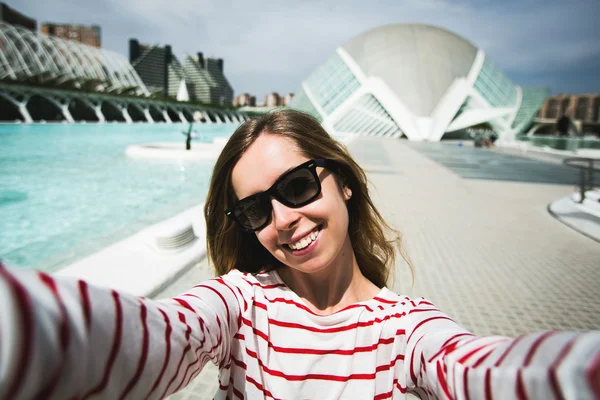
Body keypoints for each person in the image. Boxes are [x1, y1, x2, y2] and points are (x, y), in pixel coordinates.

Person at [1, 110, 599, 399]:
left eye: (296, 187)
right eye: (257, 210)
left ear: (341, 180)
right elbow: (155, 335)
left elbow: (479, 368)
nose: (284, 220)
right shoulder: (241, 304)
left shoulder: (404, 327)